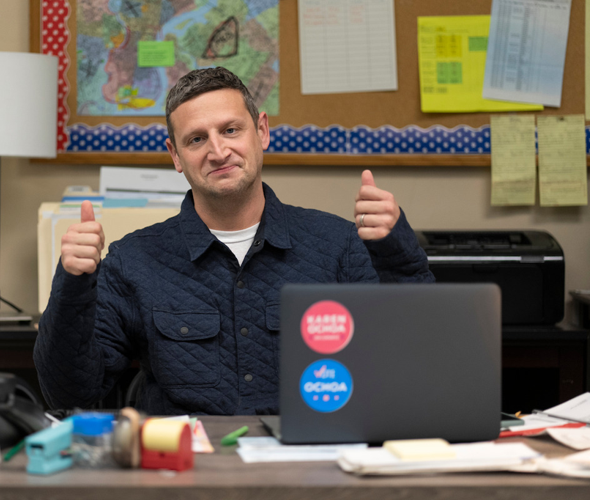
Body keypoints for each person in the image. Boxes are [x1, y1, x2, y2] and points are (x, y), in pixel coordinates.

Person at [35, 67, 434, 415]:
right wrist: (72, 283)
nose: (218, 151)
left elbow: (416, 358)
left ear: (261, 131)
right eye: (196, 139)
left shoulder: (338, 245)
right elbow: (70, 395)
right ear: (175, 156)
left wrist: (395, 251)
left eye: (230, 130)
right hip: (185, 464)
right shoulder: (132, 260)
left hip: (308, 458)